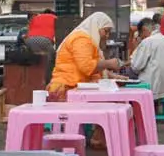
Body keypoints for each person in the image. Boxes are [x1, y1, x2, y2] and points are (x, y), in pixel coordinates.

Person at [47, 12, 122, 149]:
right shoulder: (81, 39)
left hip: (76, 87)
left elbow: (92, 69)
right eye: (106, 31)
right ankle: (99, 138)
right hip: (65, 88)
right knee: (111, 102)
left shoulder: (89, 40)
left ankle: (100, 137)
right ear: (96, 26)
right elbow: (86, 67)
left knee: (113, 98)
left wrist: (111, 76)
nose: (107, 35)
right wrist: (108, 64)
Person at [129, 18, 164, 101]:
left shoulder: (147, 42)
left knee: (128, 75)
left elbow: (136, 67)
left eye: (140, 34)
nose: (141, 37)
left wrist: (136, 46)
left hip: (154, 89)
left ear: (144, 30)